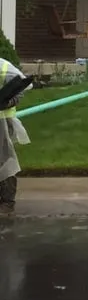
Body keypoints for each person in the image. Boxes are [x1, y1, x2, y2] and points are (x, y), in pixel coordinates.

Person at [0, 58, 31, 216]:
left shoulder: (3, 67)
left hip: (2, 121)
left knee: (4, 159)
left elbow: (22, 86)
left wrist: (7, 102)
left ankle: (7, 202)